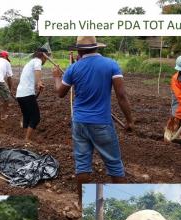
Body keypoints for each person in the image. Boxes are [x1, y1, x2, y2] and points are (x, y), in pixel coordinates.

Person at [52, 36, 134, 202]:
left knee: (82, 164)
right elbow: (121, 95)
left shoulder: (73, 68)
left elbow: (60, 93)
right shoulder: (111, 65)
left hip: (79, 122)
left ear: (79, 50)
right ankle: (122, 202)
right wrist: (129, 120)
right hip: (101, 122)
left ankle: (81, 203)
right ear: (96, 48)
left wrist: (56, 77)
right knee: (114, 164)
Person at [16, 48, 48, 144]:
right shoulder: (37, 61)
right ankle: (27, 140)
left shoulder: (30, 62)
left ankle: (20, 138)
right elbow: (37, 70)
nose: (46, 60)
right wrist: (39, 82)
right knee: (35, 117)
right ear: (43, 56)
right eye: (46, 57)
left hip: (20, 94)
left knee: (27, 116)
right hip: (27, 94)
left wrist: (37, 85)